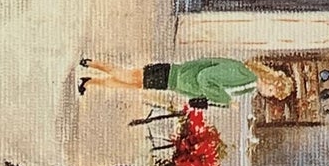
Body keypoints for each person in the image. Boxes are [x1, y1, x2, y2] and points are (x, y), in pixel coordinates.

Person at [78, 53, 294, 107]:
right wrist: (226, 101)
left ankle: (89, 82)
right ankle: (91, 63)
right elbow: (206, 77)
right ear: (270, 81)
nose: (269, 95)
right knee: (129, 77)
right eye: (273, 92)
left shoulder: (247, 84)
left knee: (133, 85)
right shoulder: (245, 76)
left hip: (177, 80)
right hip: (176, 76)